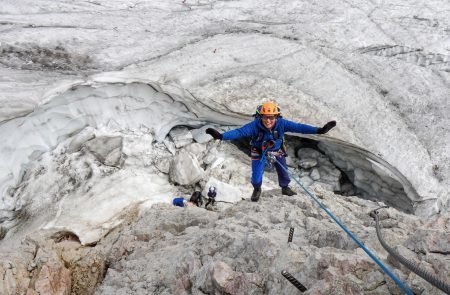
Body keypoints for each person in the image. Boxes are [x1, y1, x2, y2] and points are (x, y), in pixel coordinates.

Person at [205, 101, 336, 202]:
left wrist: (319, 130)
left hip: (276, 149)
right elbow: (240, 132)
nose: (268, 121)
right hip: (259, 151)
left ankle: (285, 188)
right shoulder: (255, 125)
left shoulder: (281, 123)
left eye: (271, 118)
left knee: (283, 170)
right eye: (265, 117)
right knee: (256, 177)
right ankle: (257, 188)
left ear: (276, 117)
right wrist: (221, 136)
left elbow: (299, 127)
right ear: (260, 117)